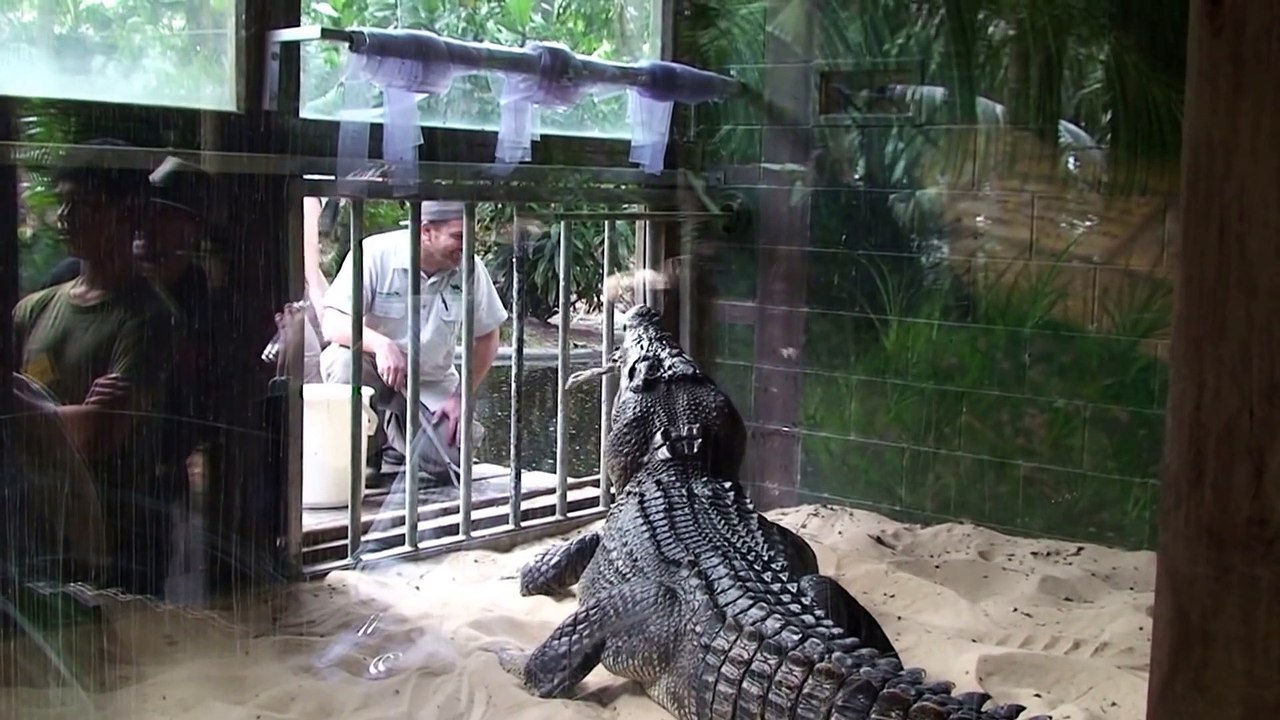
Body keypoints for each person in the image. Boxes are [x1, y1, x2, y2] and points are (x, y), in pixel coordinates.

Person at [13, 138, 177, 596]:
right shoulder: (33, 309)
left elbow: (99, 434)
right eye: (64, 203)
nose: (66, 218)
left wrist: (21, 420)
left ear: (127, 213)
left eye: (84, 204)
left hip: (120, 537)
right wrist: (59, 420)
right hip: (39, 533)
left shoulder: (148, 317)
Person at [319, 200, 507, 486]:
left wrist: (459, 397)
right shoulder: (375, 253)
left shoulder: (470, 269)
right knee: (342, 362)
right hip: (372, 373)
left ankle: (397, 441)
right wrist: (381, 344)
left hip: (430, 387)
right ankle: (367, 449)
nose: (467, 246)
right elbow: (331, 322)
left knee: (452, 462)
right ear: (426, 231)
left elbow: (488, 335)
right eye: (458, 237)